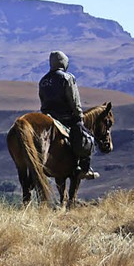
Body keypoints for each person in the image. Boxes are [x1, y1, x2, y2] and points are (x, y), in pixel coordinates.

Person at [38, 50, 99, 180]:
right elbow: (74, 99)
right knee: (86, 138)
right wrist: (79, 116)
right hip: (65, 118)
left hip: (47, 117)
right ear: (64, 63)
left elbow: (42, 100)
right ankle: (84, 168)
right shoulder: (67, 78)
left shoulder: (43, 81)